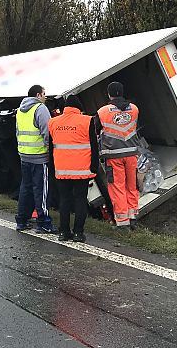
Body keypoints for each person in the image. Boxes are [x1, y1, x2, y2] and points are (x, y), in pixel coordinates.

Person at [48, 95, 99, 242]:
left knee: (64, 200)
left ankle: (63, 232)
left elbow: (51, 147)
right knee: (80, 200)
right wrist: (93, 167)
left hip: (62, 169)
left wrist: (53, 168)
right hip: (82, 170)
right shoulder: (87, 120)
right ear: (78, 108)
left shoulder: (53, 122)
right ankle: (78, 233)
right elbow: (94, 146)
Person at [94, 81, 141, 229]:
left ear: (109, 94)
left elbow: (95, 130)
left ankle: (122, 222)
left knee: (117, 188)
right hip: (132, 153)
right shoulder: (134, 109)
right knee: (132, 186)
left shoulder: (102, 112)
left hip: (113, 156)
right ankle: (133, 218)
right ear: (122, 92)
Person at [14, 84, 57, 234]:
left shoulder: (20, 110)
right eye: (44, 94)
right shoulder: (40, 109)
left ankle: (22, 220)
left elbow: (18, 132)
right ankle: (43, 222)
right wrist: (50, 151)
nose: (45, 97)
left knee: (26, 188)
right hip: (39, 156)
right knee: (41, 190)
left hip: (24, 155)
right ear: (38, 95)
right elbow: (47, 132)